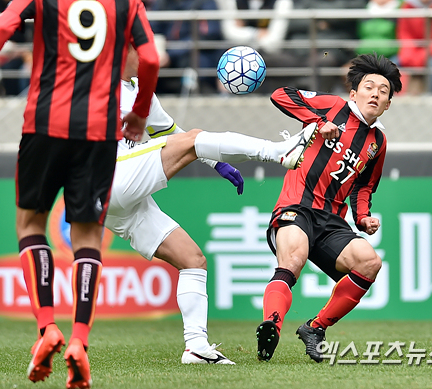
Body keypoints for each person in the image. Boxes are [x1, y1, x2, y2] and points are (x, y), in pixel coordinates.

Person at [0, 1, 159, 388]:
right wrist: (140, 112)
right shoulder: (128, 3)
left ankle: (47, 326)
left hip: (44, 124)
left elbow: (2, 26)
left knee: (30, 224)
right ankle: (79, 339)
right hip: (99, 131)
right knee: (87, 238)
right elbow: (149, 58)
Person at [106, 45, 317, 364]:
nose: (149, 58)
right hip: (106, 175)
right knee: (195, 138)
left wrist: (216, 164)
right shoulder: (94, 82)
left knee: (192, 260)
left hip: (117, 201)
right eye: (141, 49)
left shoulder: (141, 92)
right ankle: (278, 152)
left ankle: (196, 347)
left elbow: (175, 135)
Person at [255, 53, 402, 363]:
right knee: (293, 260)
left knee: (370, 263)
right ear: (354, 94)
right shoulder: (334, 107)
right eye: (369, 87)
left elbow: (364, 186)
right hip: (297, 205)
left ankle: (315, 328)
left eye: (383, 91)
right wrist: (318, 122)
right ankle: (272, 325)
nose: (375, 93)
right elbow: (281, 95)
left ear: (388, 104)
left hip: (333, 221)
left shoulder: (378, 142)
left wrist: (362, 217)